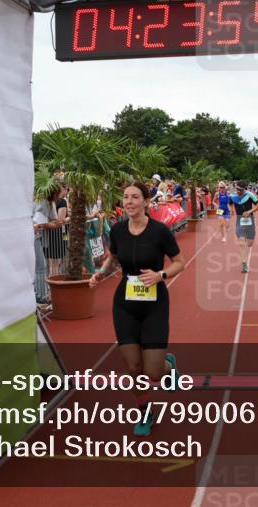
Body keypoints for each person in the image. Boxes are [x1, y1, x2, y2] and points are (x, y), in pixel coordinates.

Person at [89, 182, 185, 436]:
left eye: (134, 197)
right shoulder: (118, 230)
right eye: (126, 197)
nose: (129, 202)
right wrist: (100, 274)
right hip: (125, 305)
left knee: (153, 372)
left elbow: (179, 263)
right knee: (133, 368)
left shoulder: (160, 231)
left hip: (154, 304)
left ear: (145, 201)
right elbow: (113, 258)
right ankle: (145, 412)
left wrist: (161, 274)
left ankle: (168, 366)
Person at [229, 181, 258, 273]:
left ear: (244, 189)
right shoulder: (232, 196)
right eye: (237, 189)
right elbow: (230, 203)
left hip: (249, 220)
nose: (238, 191)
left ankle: (251, 236)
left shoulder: (250, 195)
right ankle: (244, 264)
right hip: (239, 220)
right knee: (241, 242)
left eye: (240, 190)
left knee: (250, 244)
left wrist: (249, 211)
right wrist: (231, 210)